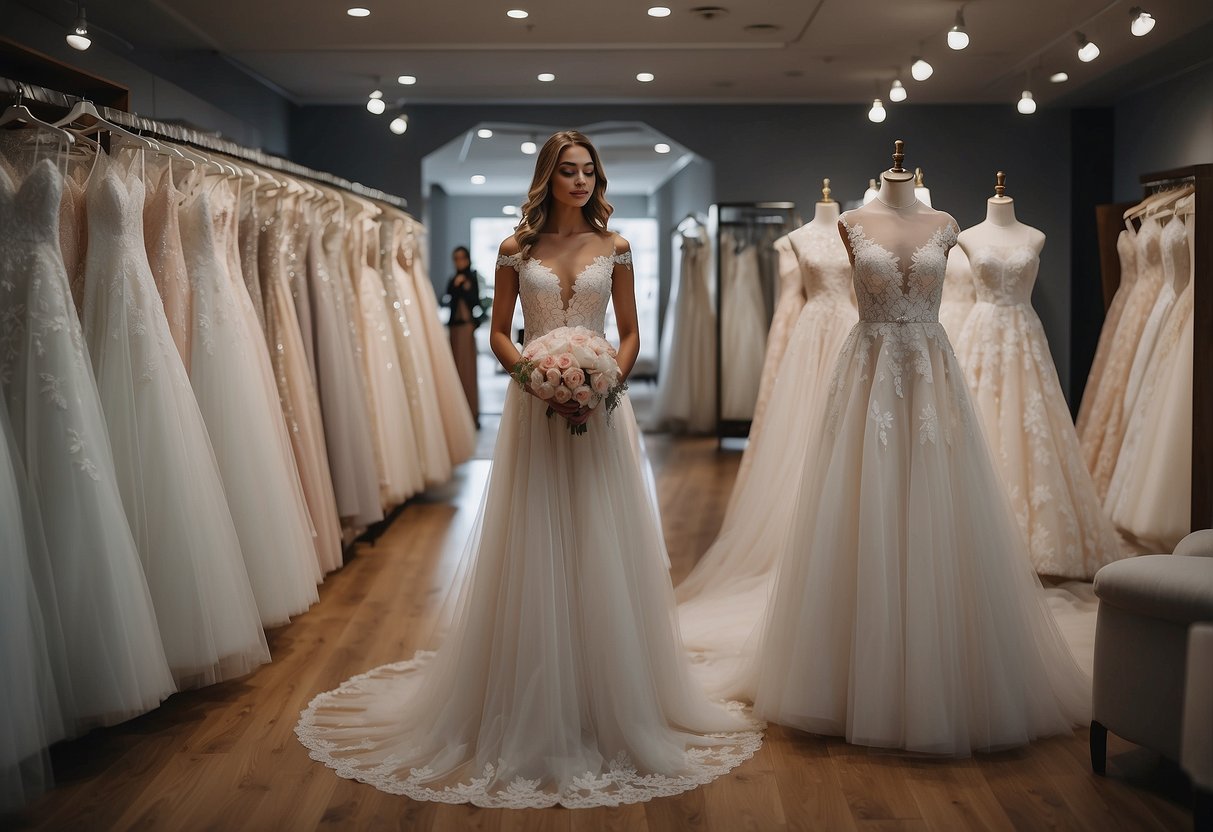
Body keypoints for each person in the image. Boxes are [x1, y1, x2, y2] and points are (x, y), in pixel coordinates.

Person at [294, 130, 761, 809]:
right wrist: (535, 376)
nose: (580, 181)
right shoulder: (516, 250)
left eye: (588, 171)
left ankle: (610, 693)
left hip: (601, 407)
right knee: (536, 532)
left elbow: (629, 332)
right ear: (549, 176)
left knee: (602, 532)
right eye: (568, 171)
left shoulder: (617, 247)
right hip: (535, 407)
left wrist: (604, 384)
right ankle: (529, 693)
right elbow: (497, 331)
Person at [443, 246, 482, 428]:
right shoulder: (453, 279)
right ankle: (455, 416)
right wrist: (457, 285)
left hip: (466, 328)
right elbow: (447, 296)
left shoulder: (471, 277)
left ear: (467, 259)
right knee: (454, 370)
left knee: (467, 371)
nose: (459, 262)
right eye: (455, 258)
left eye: (461, 258)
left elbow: (475, 301)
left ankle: (471, 415)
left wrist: (463, 286)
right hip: (454, 328)